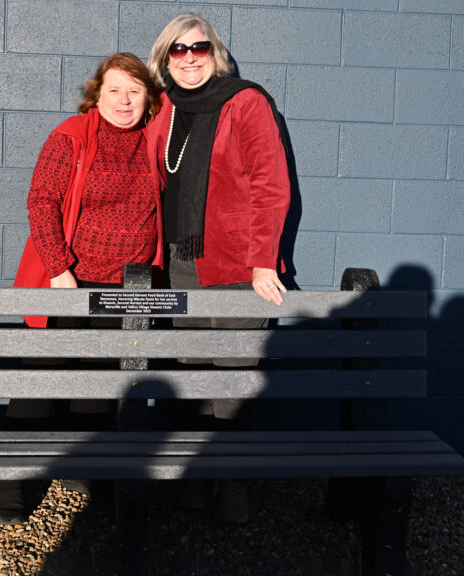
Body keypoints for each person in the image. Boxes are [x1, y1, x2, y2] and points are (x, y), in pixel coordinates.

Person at [0, 53, 164, 525]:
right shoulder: (71, 135)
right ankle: (14, 485)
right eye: (115, 90)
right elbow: (42, 201)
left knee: (97, 387)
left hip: (126, 288)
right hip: (68, 281)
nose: (124, 101)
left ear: (148, 98)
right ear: (97, 94)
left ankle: (81, 474)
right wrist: (59, 268)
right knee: (40, 383)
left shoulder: (155, 140)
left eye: (134, 91)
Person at [147, 13, 291, 524]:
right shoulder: (163, 108)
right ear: (165, 60)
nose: (189, 58)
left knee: (233, 380)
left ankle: (233, 482)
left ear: (216, 53)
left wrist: (261, 262)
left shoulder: (245, 102)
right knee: (190, 376)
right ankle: (197, 476)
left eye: (199, 48)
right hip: (180, 263)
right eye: (178, 50)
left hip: (235, 264)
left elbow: (270, 186)